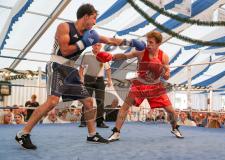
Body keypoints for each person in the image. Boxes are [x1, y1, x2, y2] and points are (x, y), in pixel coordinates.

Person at [15, 3, 145, 150]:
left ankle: (92, 134)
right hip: (57, 65)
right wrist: (84, 43)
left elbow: (111, 40)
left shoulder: (90, 34)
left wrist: (132, 42)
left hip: (71, 71)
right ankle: (23, 134)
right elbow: (64, 51)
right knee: (52, 101)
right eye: (94, 18)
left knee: (89, 102)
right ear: (86, 16)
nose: (95, 22)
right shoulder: (64, 27)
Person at [97, 30, 184, 141]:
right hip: (140, 84)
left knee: (171, 110)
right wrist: (112, 57)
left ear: (158, 43)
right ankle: (116, 132)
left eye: (151, 42)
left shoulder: (164, 57)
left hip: (155, 85)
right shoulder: (141, 52)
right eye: (147, 42)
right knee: (125, 106)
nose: (148, 45)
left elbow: (166, 76)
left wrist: (162, 71)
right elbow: (126, 56)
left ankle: (174, 127)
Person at [79, 43, 112, 128]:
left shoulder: (104, 55)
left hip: (100, 80)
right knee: (87, 101)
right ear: (92, 46)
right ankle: (83, 121)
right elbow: (81, 68)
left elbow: (108, 69)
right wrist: (81, 78)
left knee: (100, 101)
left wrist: (109, 79)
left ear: (101, 47)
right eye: (95, 45)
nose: (96, 47)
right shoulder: (86, 55)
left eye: (98, 45)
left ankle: (100, 122)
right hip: (88, 79)